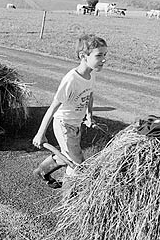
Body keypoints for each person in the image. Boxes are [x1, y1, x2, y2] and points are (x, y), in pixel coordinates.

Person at [32, 34, 108, 188]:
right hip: (63, 124)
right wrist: (40, 134)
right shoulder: (71, 80)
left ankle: (42, 171)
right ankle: (69, 197)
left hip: (75, 123)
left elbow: (90, 94)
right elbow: (53, 107)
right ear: (83, 56)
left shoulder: (91, 74)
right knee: (77, 163)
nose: (104, 59)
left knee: (68, 155)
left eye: (105, 55)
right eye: (99, 55)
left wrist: (89, 115)